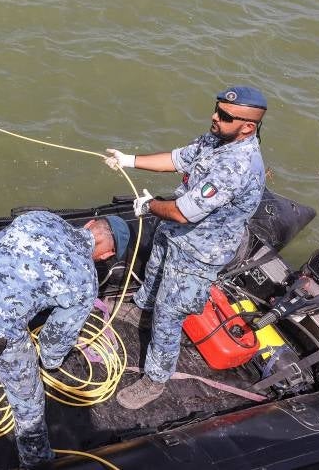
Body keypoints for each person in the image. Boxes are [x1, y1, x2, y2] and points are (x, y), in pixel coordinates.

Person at [105, 85, 267, 410]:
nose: (214, 117)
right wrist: (129, 160)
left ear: (247, 126)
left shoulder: (237, 166)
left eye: (224, 115)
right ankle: (141, 309)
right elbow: (179, 159)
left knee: (170, 313)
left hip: (200, 251)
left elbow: (182, 211)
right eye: (216, 109)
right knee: (153, 273)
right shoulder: (217, 139)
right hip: (176, 233)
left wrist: (150, 206)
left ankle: (155, 379)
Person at [0, 210, 130, 469]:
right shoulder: (86, 281)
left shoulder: (40, 217)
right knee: (28, 401)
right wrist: (50, 362)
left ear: (88, 224)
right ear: (107, 255)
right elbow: (54, 342)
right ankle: (35, 460)